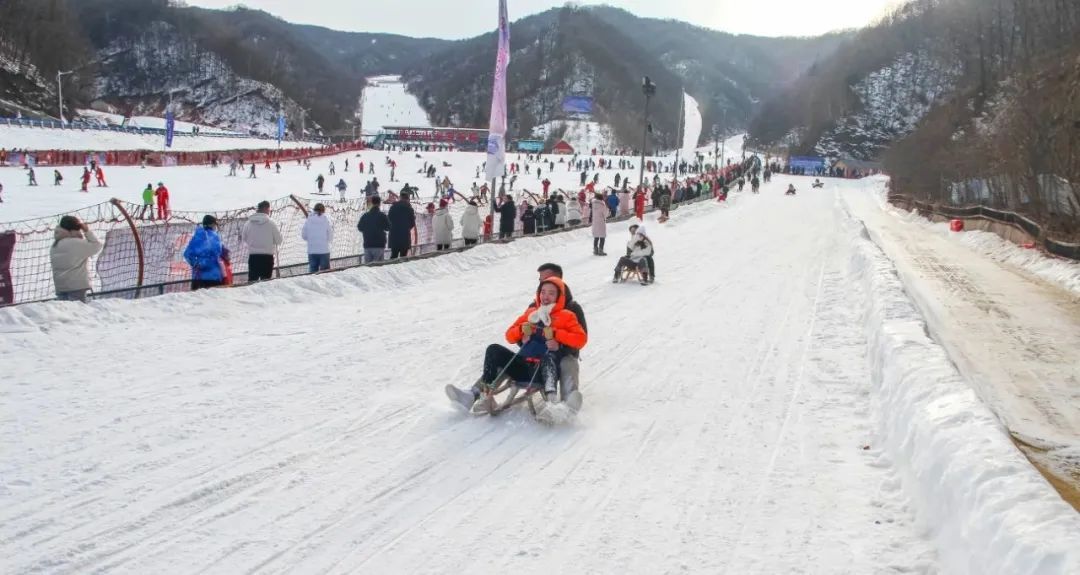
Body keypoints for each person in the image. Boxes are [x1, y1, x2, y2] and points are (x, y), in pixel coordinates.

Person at [445, 276, 587, 411]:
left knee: (548, 358)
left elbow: (581, 338)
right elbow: (509, 335)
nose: (546, 296)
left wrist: (557, 336)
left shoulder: (567, 316)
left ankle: (553, 403)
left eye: (551, 293)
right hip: (523, 366)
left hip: (544, 369)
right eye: (543, 292)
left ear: (559, 296)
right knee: (493, 349)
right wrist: (521, 333)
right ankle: (480, 396)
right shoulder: (531, 313)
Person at [536, 263, 587, 401]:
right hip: (539, 353)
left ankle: (569, 401)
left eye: (546, 279)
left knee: (567, 364)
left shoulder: (572, 308)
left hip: (565, 353)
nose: (542, 283)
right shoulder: (536, 305)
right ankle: (482, 393)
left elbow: (581, 340)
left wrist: (560, 345)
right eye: (540, 280)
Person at [49, 215, 102, 302]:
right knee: (78, 312)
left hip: (60, 286)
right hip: (76, 287)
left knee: (64, 313)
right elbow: (97, 245)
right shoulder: (76, 243)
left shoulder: (55, 244)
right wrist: (87, 231)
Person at [242, 200, 283, 281]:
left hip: (253, 257)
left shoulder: (248, 223)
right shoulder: (271, 223)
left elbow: (244, 238)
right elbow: (279, 240)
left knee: (252, 283)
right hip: (267, 257)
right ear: (266, 209)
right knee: (266, 283)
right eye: (269, 209)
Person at [183, 215, 226, 291]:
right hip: (213, 276)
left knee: (197, 301)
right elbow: (217, 253)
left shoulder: (197, 236)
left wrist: (196, 263)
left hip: (197, 277)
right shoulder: (214, 236)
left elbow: (187, 254)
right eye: (215, 224)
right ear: (212, 224)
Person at [357, 195, 390, 263]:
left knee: (368, 268)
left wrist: (367, 230)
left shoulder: (365, 215)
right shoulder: (382, 216)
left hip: (368, 244)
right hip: (379, 245)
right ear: (379, 204)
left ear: (371, 203)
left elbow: (359, 227)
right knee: (378, 268)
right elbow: (388, 227)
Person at [301, 202, 333, 273]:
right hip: (324, 250)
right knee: (326, 273)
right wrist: (325, 241)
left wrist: (311, 240)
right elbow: (330, 235)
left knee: (313, 274)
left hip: (312, 251)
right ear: (323, 211)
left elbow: (304, 235)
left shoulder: (308, 220)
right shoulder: (326, 220)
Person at [387, 190, 416, 259]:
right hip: (404, 236)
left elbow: (388, 220)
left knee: (393, 256)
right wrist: (406, 228)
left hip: (394, 236)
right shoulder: (409, 209)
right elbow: (412, 223)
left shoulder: (393, 207)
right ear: (407, 199)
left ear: (400, 198)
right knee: (403, 257)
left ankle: (392, 269)